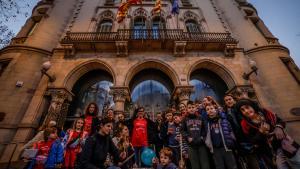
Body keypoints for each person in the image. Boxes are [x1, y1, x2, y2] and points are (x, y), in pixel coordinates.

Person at [235, 98, 292, 169]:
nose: (246, 111)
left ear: (252, 106)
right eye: (242, 110)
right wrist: (260, 132)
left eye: (247, 107)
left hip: (285, 144)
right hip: (269, 152)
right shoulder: (245, 124)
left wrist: (279, 127)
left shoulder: (265, 112)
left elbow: (280, 121)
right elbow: (252, 141)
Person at [223, 94, 260, 169]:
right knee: (249, 161)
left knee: (258, 160)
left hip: (249, 136)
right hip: (239, 139)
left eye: (230, 99)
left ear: (234, 99)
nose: (228, 101)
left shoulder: (241, 109)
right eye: (226, 100)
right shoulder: (226, 112)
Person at [204, 104, 237, 169]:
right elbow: (206, 135)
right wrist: (208, 144)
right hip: (215, 150)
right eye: (207, 109)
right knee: (219, 166)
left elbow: (230, 132)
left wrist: (232, 142)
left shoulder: (223, 120)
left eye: (211, 108)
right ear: (206, 112)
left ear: (215, 109)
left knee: (232, 166)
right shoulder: (207, 123)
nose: (210, 110)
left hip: (226, 148)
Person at [182, 101, 210, 169]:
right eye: (189, 107)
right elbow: (182, 130)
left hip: (201, 144)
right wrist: (187, 137)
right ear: (187, 109)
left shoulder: (201, 117)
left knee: (205, 164)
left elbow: (205, 129)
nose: (191, 109)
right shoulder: (185, 119)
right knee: (195, 165)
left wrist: (203, 137)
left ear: (196, 108)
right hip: (191, 145)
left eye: (193, 107)